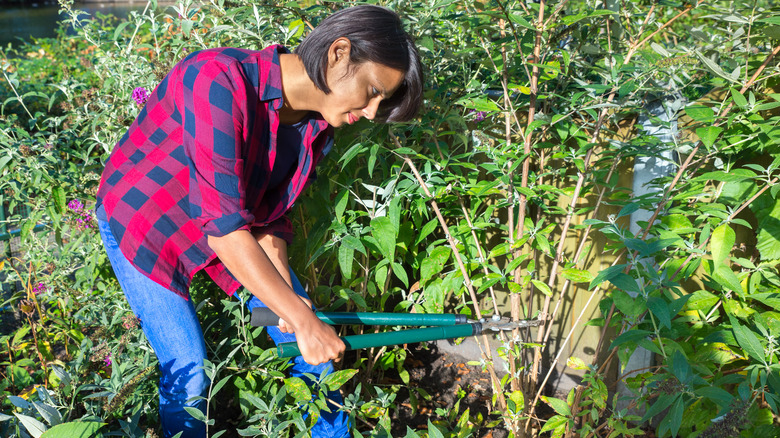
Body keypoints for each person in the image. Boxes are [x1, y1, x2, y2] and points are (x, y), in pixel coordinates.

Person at [94, 5, 423, 437]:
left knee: (311, 353)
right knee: (189, 374)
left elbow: (270, 220)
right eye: (374, 90)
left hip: (226, 227)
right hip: (146, 222)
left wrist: (289, 302)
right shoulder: (217, 79)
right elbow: (227, 232)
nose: (375, 111)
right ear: (338, 53)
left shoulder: (315, 127)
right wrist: (300, 317)